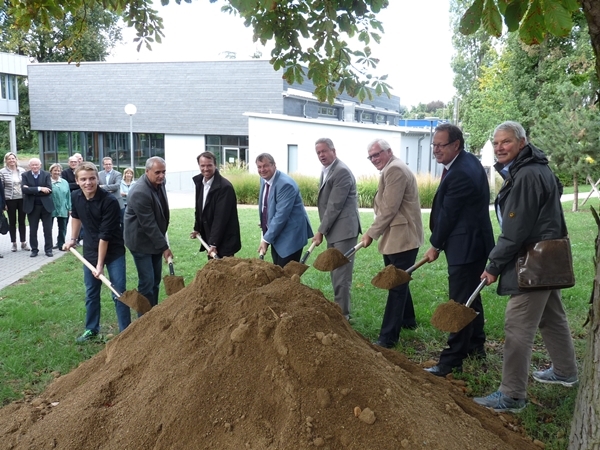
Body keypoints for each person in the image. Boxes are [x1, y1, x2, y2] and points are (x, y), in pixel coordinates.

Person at [474, 121, 578, 413]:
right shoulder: (538, 168)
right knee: (552, 317)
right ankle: (565, 371)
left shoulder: (527, 175)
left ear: (522, 142)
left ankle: (512, 395)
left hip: (532, 263)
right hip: (549, 258)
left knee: (517, 326)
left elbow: (515, 230)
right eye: (496, 143)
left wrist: (494, 265)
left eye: (506, 142)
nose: (499, 148)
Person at [423, 123, 495, 377]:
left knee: (459, 303)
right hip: (474, 242)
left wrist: (435, 245)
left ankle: (451, 360)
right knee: (471, 296)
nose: (436, 150)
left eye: (440, 145)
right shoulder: (468, 161)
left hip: (466, 246)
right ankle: (476, 345)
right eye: (434, 145)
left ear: (456, 144)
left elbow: (449, 215)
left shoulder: (460, 173)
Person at [360, 139, 423, 348]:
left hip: (402, 238)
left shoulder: (395, 170)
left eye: (377, 154)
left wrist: (371, 233)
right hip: (396, 237)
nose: (373, 159)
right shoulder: (391, 168)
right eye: (370, 156)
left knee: (396, 284)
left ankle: (388, 338)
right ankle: (408, 320)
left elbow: (389, 208)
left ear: (389, 151)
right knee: (400, 279)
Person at [64, 162, 131, 342]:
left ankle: (126, 333)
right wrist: (73, 239)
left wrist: (100, 265)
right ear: (77, 181)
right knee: (91, 292)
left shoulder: (109, 201)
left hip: (113, 251)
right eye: (83, 179)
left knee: (118, 291)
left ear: (97, 179)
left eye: (92, 178)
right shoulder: (76, 196)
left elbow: (105, 236)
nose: (88, 183)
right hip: (90, 251)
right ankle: (91, 329)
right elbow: (76, 217)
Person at [313, 138, 361, 319]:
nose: (321, 155)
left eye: (324, 151)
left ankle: (343, 316)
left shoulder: (341, 172)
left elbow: (334, 205)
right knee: (336, 273)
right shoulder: (327, 170)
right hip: (334, 231)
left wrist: (320, 231)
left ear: (333, 151)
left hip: (344, 231)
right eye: (318, 152)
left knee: (341, 275)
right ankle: (340, 311)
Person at [124, 156, 173, 309]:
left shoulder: (159, 182)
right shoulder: (140, 192)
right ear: (147, 171)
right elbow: (149, 225)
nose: (161, 176)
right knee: (147, 282)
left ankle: (154, 311)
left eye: (164, 172)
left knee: (155, 280)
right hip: (140, 242)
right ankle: (145, 317)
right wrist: (165, 248)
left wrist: (162, 242)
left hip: (154, 240)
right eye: (157, 172)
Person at [256, 153, 313, 267]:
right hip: (277, 234)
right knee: (278, 269)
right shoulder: (264, 179)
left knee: (286, 274)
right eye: (259, 167)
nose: (262, 170)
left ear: (274, 165)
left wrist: (265, 240)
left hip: (291, 237)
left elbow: (281, 216)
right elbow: (269, 204)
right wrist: (265, 221)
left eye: (265, 166)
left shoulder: (285, 185)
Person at [190, 152, 241, 257]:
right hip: (211, 237)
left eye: (209, 165)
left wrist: (213, 243)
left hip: (225, 240)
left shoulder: (225, 187)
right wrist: (197, 228)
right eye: (202, 165)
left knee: (225, 267)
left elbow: (221, 218)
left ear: (215, 165)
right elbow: (200, 209)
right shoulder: (200, 182)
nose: (206, 169)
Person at [22, 158, 55, 257]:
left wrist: (31, 190)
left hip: (46, 207)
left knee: (48, 230)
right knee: (33, 230)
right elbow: (24, 190)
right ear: (29, 166)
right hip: (32, 207)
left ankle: (48, 250)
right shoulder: (25, 175)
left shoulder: (46, 174)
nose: (35, 167)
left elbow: (49, 190)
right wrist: (40, 188)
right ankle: (34, 250)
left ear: (40, 165)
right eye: (33, 165)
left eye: (37, 165)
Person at [0, 152, 30, 252]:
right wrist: (4, 203)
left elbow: (26, 183)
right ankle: (13, 243)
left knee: (22, 221)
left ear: (16, 159)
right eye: (9, 159)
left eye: (13, 158)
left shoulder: (22, 170)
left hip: (22, 199)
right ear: (6, 160)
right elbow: (1, 188)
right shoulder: (2, 172)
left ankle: (23, 242)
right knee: (12, 222)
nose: (11, 160)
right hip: (10, 200)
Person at [49, 163, 72, 251]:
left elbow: (68, 195)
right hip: (51, 207)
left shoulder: (64, 182)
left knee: (63, 228)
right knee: (48, 228)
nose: (57, 172)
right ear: (51, 171)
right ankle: (49, 245)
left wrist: (69, 208)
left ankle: (61, 244)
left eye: (59, 170)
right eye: (55, 170)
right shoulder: (47, 182)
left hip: (63, 208)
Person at [98, 157, 125, 228]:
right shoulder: (99, 174)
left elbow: (116, 186)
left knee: (122, 222)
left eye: (110, 164)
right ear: (103, 165)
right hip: (104, 202)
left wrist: (103, 187)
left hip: (117, 202)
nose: (108, 166)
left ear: (112, 165)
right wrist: (110, 188)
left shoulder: (117, 174)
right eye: (106, 164)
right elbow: (97, 187)